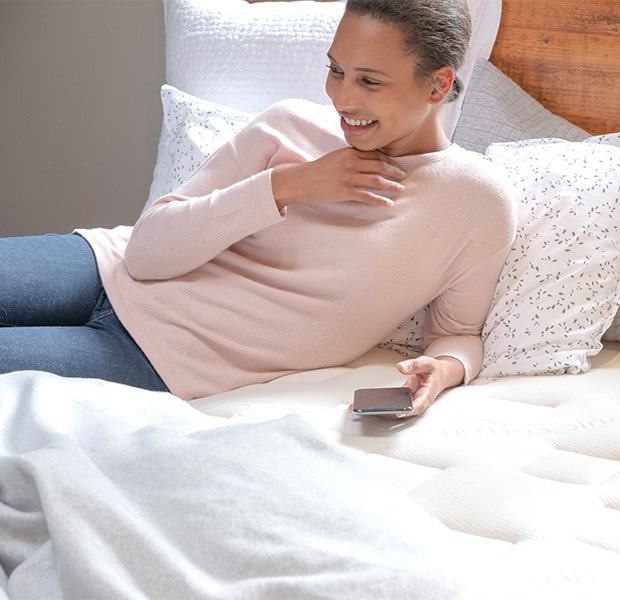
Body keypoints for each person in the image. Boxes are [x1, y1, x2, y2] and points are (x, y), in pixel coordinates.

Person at [0, 0, 517, 417]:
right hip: (98, 267)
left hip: (159, 357)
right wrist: (286, 186)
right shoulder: (287, 127)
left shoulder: (476, 201)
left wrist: (447, 369)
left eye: (370, 81)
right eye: (336, 70)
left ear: (439, 84)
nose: (342, 99)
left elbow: (457, 331)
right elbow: (146, 253)